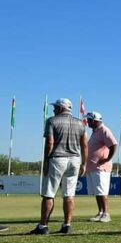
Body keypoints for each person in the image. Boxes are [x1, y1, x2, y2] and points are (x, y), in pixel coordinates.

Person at [30, 98, 88, 234]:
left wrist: (45, 161)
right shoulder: (80, 123)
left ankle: (43, 226)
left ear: (61, 108)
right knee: (69, 195)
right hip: (75, 160)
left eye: (56, 107)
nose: (54, 109)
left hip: (57, 159)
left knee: (49, 194)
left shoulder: (52, 121)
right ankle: (67, 225)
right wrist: (84, 163)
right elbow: (84, 145)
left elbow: (50, 142)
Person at [85, 112, 118, 223]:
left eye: (89, 120)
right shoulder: (95, 132)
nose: (87, 122)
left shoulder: (104, 130)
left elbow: (113, 144)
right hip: (92, 167)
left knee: (102, 191)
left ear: (94, 120)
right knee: (97, 191)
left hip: (101, 167)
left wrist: (107, 159)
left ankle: (106, 213)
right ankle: (100, 212)